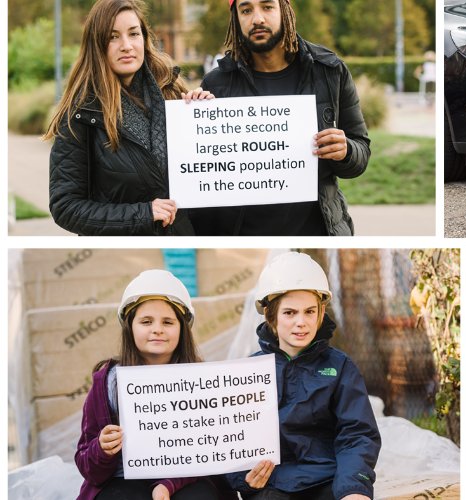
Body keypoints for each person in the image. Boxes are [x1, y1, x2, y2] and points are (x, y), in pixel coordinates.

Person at [196, 0, 370, 236]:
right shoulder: (217, 83)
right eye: (246, 10)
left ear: (285, 10)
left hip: (318, 234)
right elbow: (205, 171)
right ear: (236, 19)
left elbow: (361, 152)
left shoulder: (329, 71)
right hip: (246, 239)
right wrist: (194, 119)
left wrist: (346, 150)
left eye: (267, 7)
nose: (257, 18)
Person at [46, 0, 214, 236]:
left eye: (133, 34)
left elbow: (202, 175)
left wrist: (203, 117)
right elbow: (66, 208)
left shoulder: (172, 91)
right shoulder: (81, 114)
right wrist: (144, 214)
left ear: (144, 39)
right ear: (97, 45)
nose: (126, 45)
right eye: (113, 37)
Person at [227, 252, 381, 500]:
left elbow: (357, 434)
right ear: (272, 317)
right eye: (289, 313)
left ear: (321, 314)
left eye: (309, 312)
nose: (301, 322)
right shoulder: (248, 373)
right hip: (272, 484)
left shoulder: (340, 367)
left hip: (329, 479)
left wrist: (354, 488)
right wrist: (244, 479)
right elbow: (230, 439)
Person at [76, 270, 221, 499]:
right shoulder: (107, 383)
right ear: (129, 327)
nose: (157, 329)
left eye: (168, 322)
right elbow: (88, 466)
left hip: (185, 479)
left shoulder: (201, 380)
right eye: (146, 321)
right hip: (121, 480)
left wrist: (168, 484)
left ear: (182, 328)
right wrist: (102, 449)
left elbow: (210, 451)